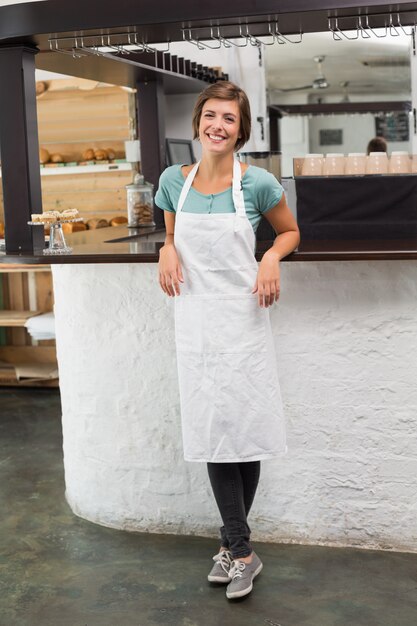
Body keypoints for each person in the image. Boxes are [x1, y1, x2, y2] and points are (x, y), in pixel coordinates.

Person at [156, 81, 300, 600]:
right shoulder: (175, 180)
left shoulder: (257, 182)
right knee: (214, 429)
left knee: (243, 429)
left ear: (240, 130)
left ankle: (235, 550)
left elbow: (289, 231)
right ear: (198, 121)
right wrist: (166, 246)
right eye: (211, 116)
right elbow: (172, 234)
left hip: (243, 321)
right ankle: (240, 550)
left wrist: (269, 257)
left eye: (230, 119)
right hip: (195, 324)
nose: (218, 126)